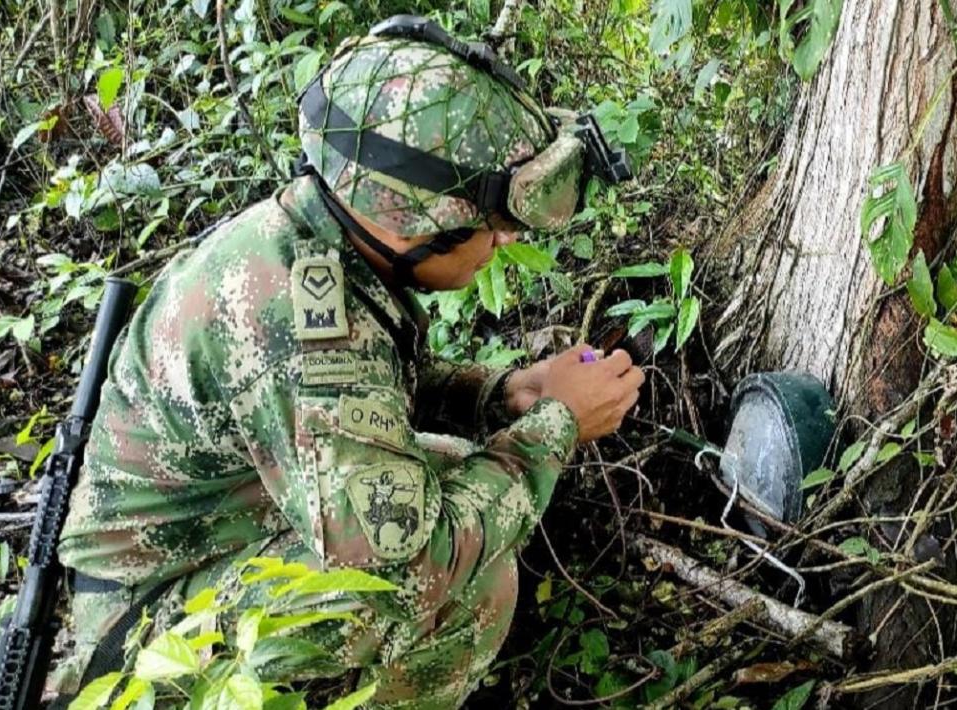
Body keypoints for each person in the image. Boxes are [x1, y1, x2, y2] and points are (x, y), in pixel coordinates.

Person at [50, 15, 644, 709]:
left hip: (212, 541)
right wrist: (557, 427)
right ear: (406, 221)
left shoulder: (315, 238)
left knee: (450, 467)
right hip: (143, 636)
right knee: (457, 583)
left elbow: (372, 395)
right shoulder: (304, 330)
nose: (506, 242)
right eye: (495, 225)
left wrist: (502, 393)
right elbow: (411, 561)